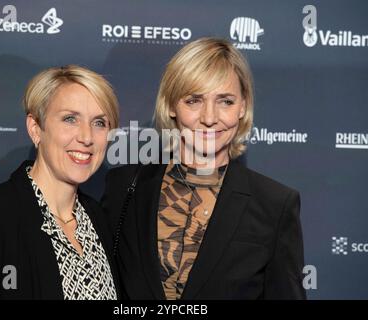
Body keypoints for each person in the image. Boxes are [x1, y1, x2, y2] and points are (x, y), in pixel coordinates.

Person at [101, 38, 306, 300]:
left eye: (226, 101)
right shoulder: (124, 186)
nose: (209, 118)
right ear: (172, 105)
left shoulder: (274, 205)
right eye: (194, 100)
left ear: (243, 106)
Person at [0, 65, 119, 300]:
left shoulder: (99, 220)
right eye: (70, 119)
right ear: (35, 129)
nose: (86, 137)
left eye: (99, 123)